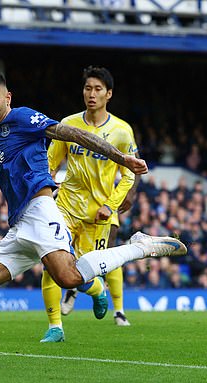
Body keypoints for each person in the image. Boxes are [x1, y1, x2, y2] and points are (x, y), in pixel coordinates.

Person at [0, 71, 186, 373]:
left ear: (7, 98)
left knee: (69, 277)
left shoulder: (24, 118)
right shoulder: (1, 137)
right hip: (20, 226)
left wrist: (120, 158)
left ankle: (140, 247)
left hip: (41, 211)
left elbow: (71, 133)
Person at [41, 66, 141, 342]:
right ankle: (55, 327)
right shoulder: (68, 124)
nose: (91, 94)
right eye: (88, 88)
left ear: (108, 94)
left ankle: (98, 291)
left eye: (98, 89)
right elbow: (50, 163)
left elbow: (128, 176)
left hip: (98, 215)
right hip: (66, 207)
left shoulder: (121, 131)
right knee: (51, 263)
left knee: (82, 271)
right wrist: (45, 190)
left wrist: (110, 205)